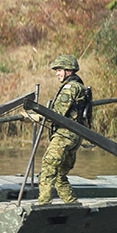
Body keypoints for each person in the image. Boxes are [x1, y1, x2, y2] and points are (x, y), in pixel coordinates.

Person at [37, 54, 90, 205]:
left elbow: (57, 113)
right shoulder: (79, 86)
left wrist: (38, 116)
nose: (57, 73)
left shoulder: (70, 87)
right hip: (75, 137)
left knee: (48, 168)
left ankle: (43, 204)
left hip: (64, 135)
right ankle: (72, 204)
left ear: (69, 71)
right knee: (60, 176)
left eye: (59, 70)